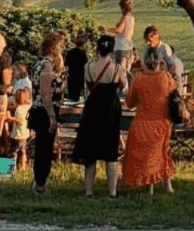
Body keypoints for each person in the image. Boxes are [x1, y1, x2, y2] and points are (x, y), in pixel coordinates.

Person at [72, 34, 127, 198]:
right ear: (112, 50)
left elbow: (85, 87)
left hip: (93, 108)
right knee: (111, 152)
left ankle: (89, 191)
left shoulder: (88, 67)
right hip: (110, 109)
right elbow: (124, 87)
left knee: (91, 152)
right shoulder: (117, 68)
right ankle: (112, 192)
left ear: (97, 48)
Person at [122, 51, 176, 195]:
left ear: (144, 63)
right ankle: (167, 185)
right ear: (159, 63)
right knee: (163, 153)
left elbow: (130, 104)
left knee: (145, 155)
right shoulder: (167, 78)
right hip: (163, 122)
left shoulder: (139, 79)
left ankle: (149, 186)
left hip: (142, 122)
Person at [28, 31, 65, 194]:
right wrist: (52, 116)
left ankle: (38, 182)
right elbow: (45, 94)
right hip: (45, 112)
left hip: (39, 110)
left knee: (42, 148)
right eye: (60, 45)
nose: (62, 49)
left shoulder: (39, 63)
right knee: (45, 150)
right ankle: (41, 184)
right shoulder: (47, 66)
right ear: (52, 47)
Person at [107, 0, 135, 69]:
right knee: (126, 70)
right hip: (128, 46)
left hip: (121, 47)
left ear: (123, 8)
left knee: (119, 71)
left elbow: (119, 30)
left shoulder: (125, 18)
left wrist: (107, 30)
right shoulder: (131, 18)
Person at [10, 85, 32, 170]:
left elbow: (19, 120)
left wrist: (10, 118)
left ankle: (13, 167)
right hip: (26, 133)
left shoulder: (19, 109)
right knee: (23, 151)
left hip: (19, 134)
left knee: (16, 151)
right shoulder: (28, 107)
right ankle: (23, 166)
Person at [66, 33, 89, 101]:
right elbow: (86, 65)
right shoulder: (83, 53)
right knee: (78, 96)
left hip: (71, 76)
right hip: (80, 77)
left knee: (71, 95)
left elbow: (66, 63)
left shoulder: (70, 52)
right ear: (83, 44)